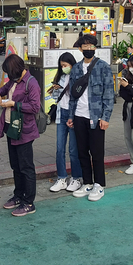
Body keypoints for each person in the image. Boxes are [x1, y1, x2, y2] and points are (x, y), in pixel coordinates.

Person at [66, 34, 115, 201]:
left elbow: (109, 94)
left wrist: (105, 117)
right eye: (85, 46)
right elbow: (73, 95)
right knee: (82, 151)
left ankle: (99, 184)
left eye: (91, 46)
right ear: (80, 48)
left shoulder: (103, 67)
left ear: (95, 48)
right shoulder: (76, 69)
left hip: (95, 117)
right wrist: (71, 115)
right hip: (79, 116)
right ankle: (87, 182)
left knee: (96, 152)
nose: (88, 49)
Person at [0, 55, 41, 217]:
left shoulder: (31, 83)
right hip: (11, 127)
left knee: (26, 167)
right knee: (15, 165)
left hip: (24, 130)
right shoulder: (14, 81)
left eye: (9, 72)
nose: (8, 76)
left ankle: (29, 202)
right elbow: (4, 88)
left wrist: (14, 104)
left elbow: (35, 107)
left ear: (16, 69)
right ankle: (18, 195)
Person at [48, 52, 83, 192]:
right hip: (61, 114)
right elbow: (57, 98)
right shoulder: (60, 77)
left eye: (65, 65)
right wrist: (55, 90)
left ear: (71, 64)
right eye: (61, 65)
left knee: (73, 150)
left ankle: (76, 177)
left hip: (73, 114)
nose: (63, 68)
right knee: (59, 148)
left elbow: (80, 97)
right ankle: (61, 178)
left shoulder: (77, 77)